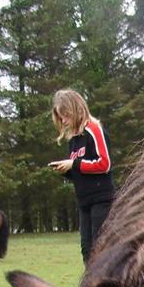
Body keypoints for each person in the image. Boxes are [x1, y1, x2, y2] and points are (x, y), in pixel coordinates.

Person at [49, 89, 114, 264]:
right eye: (60, 117)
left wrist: (74, 164)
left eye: (65, 115)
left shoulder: (94, 129)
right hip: (84, 201)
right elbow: (81, 171)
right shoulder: (73, 139)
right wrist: (67, 171)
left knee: (100, 248)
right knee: (86, 249)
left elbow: (104, 164)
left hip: (101, 199)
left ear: (75, 109)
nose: (63, 120)